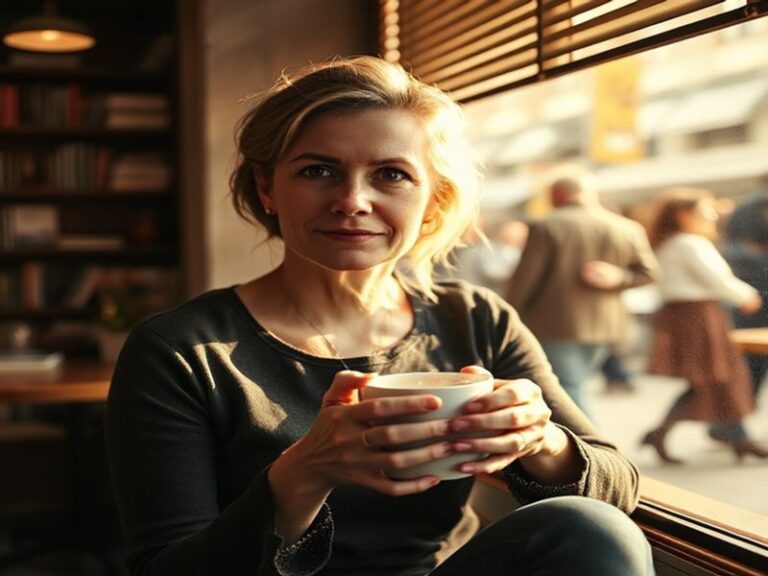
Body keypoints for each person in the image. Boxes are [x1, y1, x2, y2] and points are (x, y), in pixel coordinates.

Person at [104, 57, 654, 576]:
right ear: (268, 187)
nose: (352, 201)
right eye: (318, 170)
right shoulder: (180, 349)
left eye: (391, 175)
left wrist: (541, 441)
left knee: (589, 525)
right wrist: (303, 473)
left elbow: (618, 488)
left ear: (434, 200)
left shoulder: (475, 318)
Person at [505, 169, 658, 421]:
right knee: (575, 383)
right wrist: (619, 277)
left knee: (567, 387)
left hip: (556, 324)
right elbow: (650, 272)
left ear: (557, 196)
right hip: (609, 325)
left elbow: (525, 281)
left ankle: (597, 449)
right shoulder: (626, 227)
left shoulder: (546, 226)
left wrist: (508, 313)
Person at [640, 188, 767, 464]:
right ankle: (736, 438)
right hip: (700, 316)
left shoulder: (670, 243)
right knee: (716, 376)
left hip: (685, 315)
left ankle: (738, 438)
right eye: (705, 211)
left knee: (715, 378)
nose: (711, 217)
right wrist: (747, 296)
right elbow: (717, 278)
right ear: (685, 215)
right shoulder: (689, 244)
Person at [708, 190, 768, 444]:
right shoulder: (755, 208)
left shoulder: (751, 206)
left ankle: (729, 422)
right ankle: (730, 422)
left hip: (754, 295)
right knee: (751, 363)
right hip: (756, 297)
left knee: (751, 364)